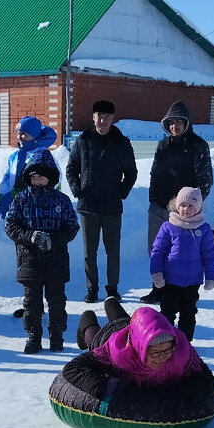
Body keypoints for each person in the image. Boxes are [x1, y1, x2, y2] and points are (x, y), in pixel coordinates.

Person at [4, 147, 79, 353]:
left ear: (51, 177)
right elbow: (11, 226)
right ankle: (33, 336)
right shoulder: (20, 200)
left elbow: (72, 227)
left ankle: (57, 335)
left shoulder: (62, 200)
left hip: (56, 260)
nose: (37, 180)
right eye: (33, 176)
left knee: (57, 301)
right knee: (32, 302)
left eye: (42, 177)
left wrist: (54, 241)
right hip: (29, 261)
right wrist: (30, 236)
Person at [69, 299, 214, 403]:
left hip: (139, 329)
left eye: (167, 351)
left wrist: (181, 393)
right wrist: (106, 386)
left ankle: (111, 302)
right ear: (142, 350)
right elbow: (73, 369)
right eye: (155, 353)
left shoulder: (181, 350)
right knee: (94, 337)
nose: (162, 358)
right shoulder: (115, 355)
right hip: (116, 337)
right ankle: (86, 320)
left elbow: (206, 379)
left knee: (125, 320)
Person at [65, 99, 137, 303]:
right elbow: (71, 169)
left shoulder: (121, 143)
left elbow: (131, 172)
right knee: (90, 252)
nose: (103, 119)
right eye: (99, 115)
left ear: (113, 119)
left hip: (112, 206)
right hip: (88, 206)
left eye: (107, 116)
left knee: (113, 251)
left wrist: (121, 193)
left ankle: (112, 288)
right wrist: (78, 190)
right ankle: (92, 289)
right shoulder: (83, 141)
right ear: (93, 117)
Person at [143, 100, 212, 303]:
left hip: (184, 211)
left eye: (179, 122)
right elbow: (155, 174)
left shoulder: (198, 145)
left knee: (180, 254)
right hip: (159, 207)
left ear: (187, 123)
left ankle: (181, 291)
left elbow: (205, 180)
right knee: (157, 250)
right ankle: (157, 289)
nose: (175, 126)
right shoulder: (163, 145)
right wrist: (153, 198)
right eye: (171, 122)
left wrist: (194, 206)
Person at [149, 186, 214, 342]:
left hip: (193, 281)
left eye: (191, 206)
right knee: (167, 312)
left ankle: (185, 343)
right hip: (170, 280)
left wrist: (211, 277)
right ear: (177, 205)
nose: (186, 209)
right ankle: (166, 341)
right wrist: (156, 272)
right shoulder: (168, 226)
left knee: (188, 313)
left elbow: (209, 255)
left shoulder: (203, 229)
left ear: (198, 208)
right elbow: (158, 251)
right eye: (183, 205)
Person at [0, 115, 57, 224]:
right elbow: (8, 177)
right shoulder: (15, 156)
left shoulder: (43, 156)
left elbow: (44, 185)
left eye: (24, 134)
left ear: (34, 136)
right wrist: (2, 195)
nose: (19, 137)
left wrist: (13, 195)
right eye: (18, 132)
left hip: (41, 210)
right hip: (20, 207)